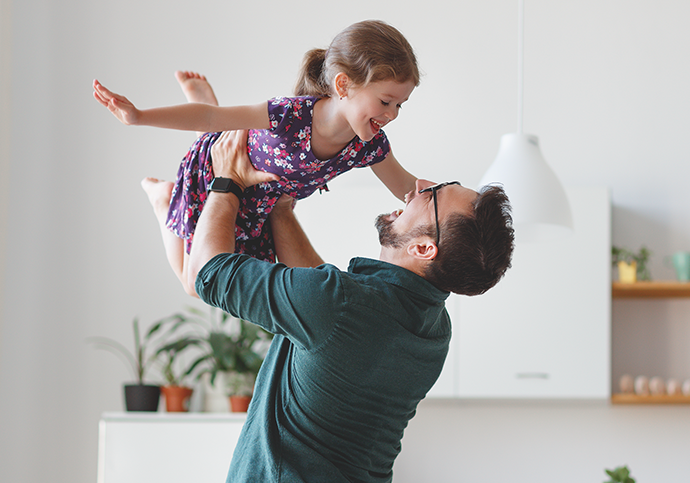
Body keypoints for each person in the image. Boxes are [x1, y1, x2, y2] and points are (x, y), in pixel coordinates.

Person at [188, 129, 515, 482]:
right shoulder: (432, 329)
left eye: (433, 194)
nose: (420, 184)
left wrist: (227, 181)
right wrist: (280, 211)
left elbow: (206, 274)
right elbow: (324, 308)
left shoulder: (341, 306)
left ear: (423, 248)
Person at [93, 20, 420, 296]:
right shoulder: (290, 115)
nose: (392, 115)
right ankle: (163, 199)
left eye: (400, 105)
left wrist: (466, 202)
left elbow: (408, 187)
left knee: (220, 283)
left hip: (259, 207)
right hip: (217, 176)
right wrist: (138, 116)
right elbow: (208, 117)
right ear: (344, 85)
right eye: (386, 101)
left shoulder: (369, 145)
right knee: (195, 285)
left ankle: (207, 121)